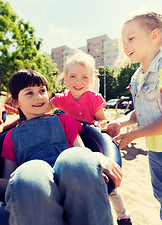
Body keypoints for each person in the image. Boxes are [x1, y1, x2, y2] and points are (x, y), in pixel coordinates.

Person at [0, 69, 122, 225]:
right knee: (30, 172)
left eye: (42, 91)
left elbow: (81, 150)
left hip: (72, 179)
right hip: (38, 188)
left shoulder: (62, 119)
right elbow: (10, 180)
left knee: (76, 159)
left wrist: (95, 156)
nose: (39, 97)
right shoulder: (11, 138)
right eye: (29, 93)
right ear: (15, 102)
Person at [104, 12, 162, 225]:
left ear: (154, 35)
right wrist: (121, 122)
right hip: (156, 149)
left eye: (131, 38)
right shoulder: (138, 76)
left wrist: (133, 134)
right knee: (160, 197)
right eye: (123, 41)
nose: (125, 45)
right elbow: (142, 112)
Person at [50, 51, 132, 225]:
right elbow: (39, 110)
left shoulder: (94, 99)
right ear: (65, 78)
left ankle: (123, 215)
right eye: (73, 76)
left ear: (92, 79)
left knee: (107, 183)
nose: (78, 81)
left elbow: (102, 119)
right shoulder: (61, 99)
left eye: (84, 77)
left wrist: (98, 123)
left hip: (92, 144)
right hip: (70, 145)